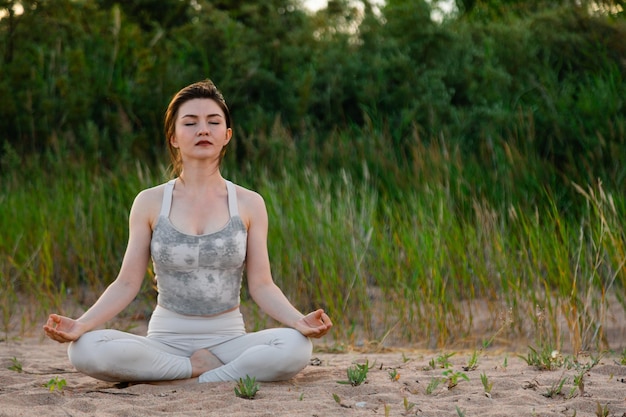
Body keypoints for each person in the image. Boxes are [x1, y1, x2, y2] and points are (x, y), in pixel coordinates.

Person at [43, 79, 332, 384]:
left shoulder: (249, 203)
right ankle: (195, 370)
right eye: (190, 122)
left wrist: (299, 321)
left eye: (213, 122)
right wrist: (81, 324)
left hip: (228, 341)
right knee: (84, 350)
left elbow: (261, 286)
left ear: (227, 135)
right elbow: (127, 282)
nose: (203, 130)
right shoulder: (149, 202)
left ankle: (206, 373)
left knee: (296, 346)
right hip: (165, 341)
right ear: (174, 138)